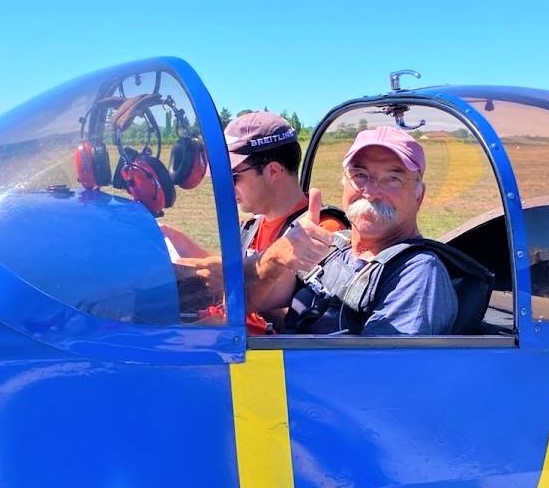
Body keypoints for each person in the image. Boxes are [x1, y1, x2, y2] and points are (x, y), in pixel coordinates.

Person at [248, 126, 458, 335]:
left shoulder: (417, 272)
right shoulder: (333, 246)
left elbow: (377, 365)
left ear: (418, 196)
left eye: (393, 179)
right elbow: (251, 299)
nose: (371, 192)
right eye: (360, 175)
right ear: (344, 183)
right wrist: (276, 259)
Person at [177, 111, 346, 332]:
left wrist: (244, 290)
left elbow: (307, 325)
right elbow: (225, 270)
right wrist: (170, 236)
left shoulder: (320, 232)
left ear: (273, 171)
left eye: (234, 177)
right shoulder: (251, 228)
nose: (226, 187)